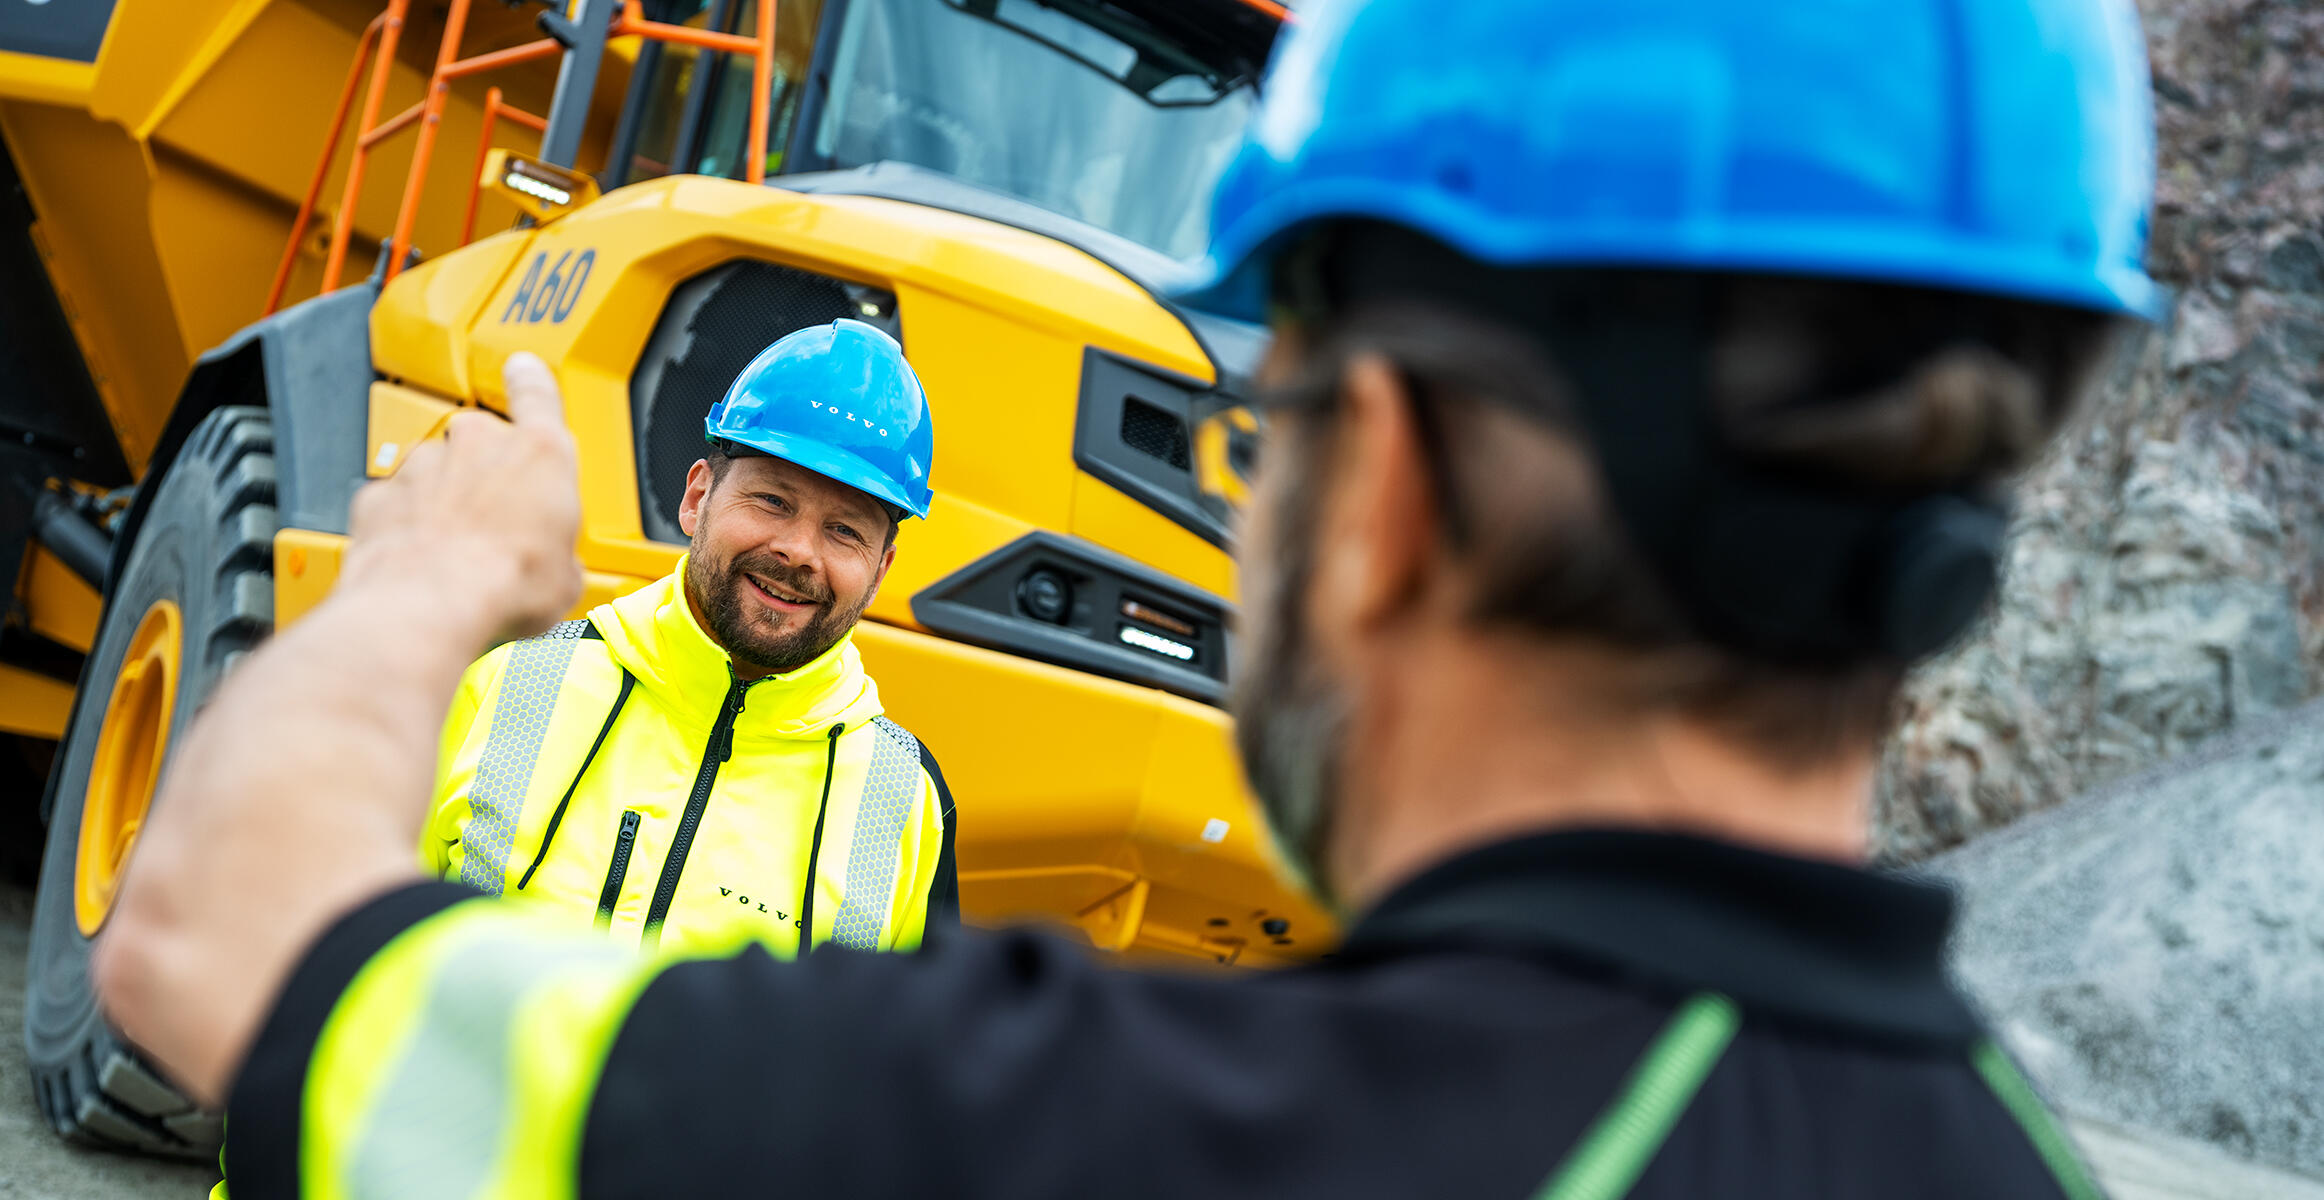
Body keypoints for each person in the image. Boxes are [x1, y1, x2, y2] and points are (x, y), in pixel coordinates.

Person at [95, 0, 2158, 1194]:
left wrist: (423, 582)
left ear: (1393, 490)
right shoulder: (2025, 1168)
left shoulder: (1069, 1132)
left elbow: (217, 938)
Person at [425, 317, 956, 956]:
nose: (797, 551)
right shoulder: (509, 680)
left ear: (880, 571)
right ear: (697, 496)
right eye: (772, 501)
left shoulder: (905, 802)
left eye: (845, 530)